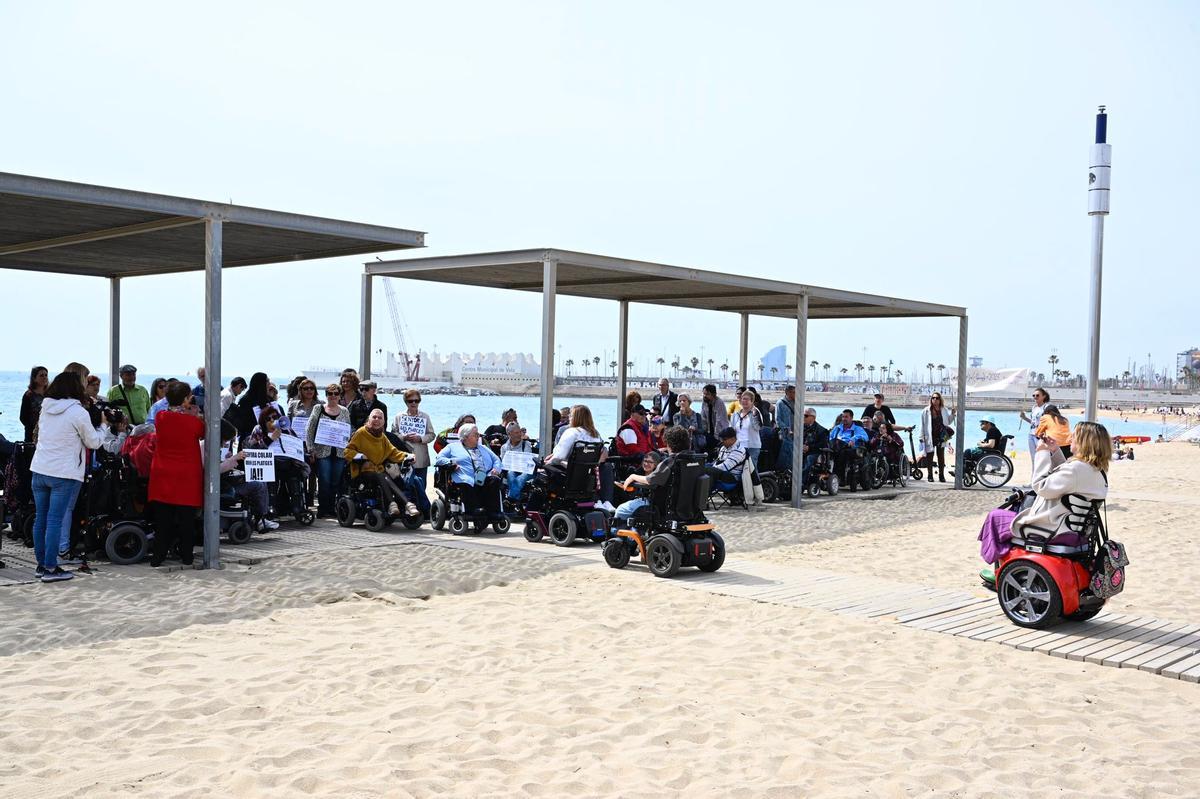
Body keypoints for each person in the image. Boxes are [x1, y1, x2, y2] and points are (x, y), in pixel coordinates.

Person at [980, 422, 1112, 565]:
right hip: (1076, 530)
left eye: (1074, 435)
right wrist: (1055, 451)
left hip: (1053, 529)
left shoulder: (1075, 470)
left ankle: (997, 561)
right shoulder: (1097, 471)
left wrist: (1042, 453)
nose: (1070, 438)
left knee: (995, 516)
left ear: (1084, 442)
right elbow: (1066, 479)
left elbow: (1040, 486)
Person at [29, 371, 109, 581]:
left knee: (41, 520)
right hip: (63, 473)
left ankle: (40, 565)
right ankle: (50, 568)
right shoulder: (77, 412)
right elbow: (93, 442)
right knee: (55, 520)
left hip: (39, 469)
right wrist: (103, 426)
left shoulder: (46, 408)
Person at [147, 381, 205, 566]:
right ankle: (186, 556)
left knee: (163, 521)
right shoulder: (193, 422)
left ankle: (158, 557)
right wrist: (195, 415)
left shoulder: (161, 417)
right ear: (185, 399)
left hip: (163, 473)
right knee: (186, 521)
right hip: (186, 475)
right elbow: (202, 431)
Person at [345, 409, 419, 518]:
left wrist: (407, 456)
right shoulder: (361, 433)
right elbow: (347, 451)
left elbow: (393, 452)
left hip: (378, 472)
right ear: (369, 419)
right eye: (374, 417)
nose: (377, 420)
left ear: (383, 422)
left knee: (385, 475)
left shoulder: (382, 437)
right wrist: (361, 456)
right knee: (382, 475)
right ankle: (404, 504)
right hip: (362, 471)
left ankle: (398, 504)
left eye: (380, 418)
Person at [434, 422, 504, 521]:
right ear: (466, 437)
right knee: (466, 482)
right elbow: (439, 458)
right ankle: (473, 509)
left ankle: (493, 512)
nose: (478, 436)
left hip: (485, 475)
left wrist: (496, 469)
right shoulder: (452, 447)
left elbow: (496, 459)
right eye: (475, 434)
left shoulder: (483, 447)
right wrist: (451, 463)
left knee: (494, 480)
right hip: (465, 475)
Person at [217, 419, 275, 531]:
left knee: (260, 482)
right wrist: (233, 459)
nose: (225, 444)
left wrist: (230, 459)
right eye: (225, 441)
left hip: (225, 483)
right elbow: (216, 471)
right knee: (259, 485)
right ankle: (261, 519)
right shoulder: (210, 448)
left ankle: (261, 518)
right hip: (223, 488)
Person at [305, 383, 351, 518]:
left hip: (339, 452)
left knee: (336, 481)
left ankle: (332, 508)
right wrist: (310, 449)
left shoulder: (344, 411)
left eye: (336, 393)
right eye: (330, 393)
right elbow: (309, 430)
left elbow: (347, 430)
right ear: (326, 395)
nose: (333, 396)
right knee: (324, 481)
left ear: (340, 395)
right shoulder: (318, 408)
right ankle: (322, 508)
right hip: (322, 452)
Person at [620, 425, 692, 509]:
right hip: (689, 508)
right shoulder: (696, 460)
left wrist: (633, 476)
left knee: (620, 510)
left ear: (669, 444)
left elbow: (650, 480)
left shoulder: (670, 462)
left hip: (664, 507)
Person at [391, 389, 435, 511]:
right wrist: (404, 437)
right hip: (404, 457)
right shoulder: (399, 417)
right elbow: (393, 435)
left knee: (422, 484)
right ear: (406, 402)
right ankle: (406, 506)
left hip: (421, 457)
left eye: (416, 400)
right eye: (411, 401)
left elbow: (431, 435)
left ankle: (421, 509)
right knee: (405, 484)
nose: (413, 403)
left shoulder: (425, 416)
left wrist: (420, 438)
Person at [611, 450, 664, 524]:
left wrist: (633, 477)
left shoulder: (657, 474)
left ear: (656, 464)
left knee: (620, 510)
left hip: (650, 501)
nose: (646, 464)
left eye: (650, 462)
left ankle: (615, 531)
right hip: (638, 499)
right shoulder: (638, 472)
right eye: (645, 461)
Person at [830, 409, 870, 492]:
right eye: (843, 417)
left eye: (846, 417)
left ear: (851, 418)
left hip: (852, 450)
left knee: (843, 452)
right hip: (836, 448)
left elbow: (866, 438)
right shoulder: (837, 428)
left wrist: (854, 438)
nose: (844, 419)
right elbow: (830, 438)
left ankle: (839, 477)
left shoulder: (857, 428)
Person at [919, 392, 953, 483]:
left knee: (941, 456)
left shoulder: (944, 409)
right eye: (933, 398)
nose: (935, 399)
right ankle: (930, 475)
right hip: (930, 435)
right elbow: (922, 425)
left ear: (940, 399)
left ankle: (941, 475)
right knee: (930, 456)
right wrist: (921, 437)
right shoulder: (926, 411)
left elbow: (948, 422)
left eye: (937, 398)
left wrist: (953, 414)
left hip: (942, 435)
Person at [226, 372, 271, 440]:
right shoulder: (246, 400)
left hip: (265, 437)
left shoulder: (267, 400)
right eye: (267, 381)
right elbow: (244, 423)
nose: (269, 384)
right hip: (249, 439)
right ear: (260, 383)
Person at [499, 422, 534, 503]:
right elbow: (504, 463)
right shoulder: (504, 447)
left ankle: (511, 499)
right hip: (513, 470)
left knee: (521, 478)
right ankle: (516, 501)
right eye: (516, 433)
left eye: (520, 432)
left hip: (526, 470)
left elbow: (527, 460)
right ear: (509, 434)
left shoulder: (526, 444)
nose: (519, 435)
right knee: (510, 473)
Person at [731, 390, 763, 470]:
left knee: (751, 470)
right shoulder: (736, 414)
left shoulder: (756, 412)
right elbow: (733, 430)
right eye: (743, 399)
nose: (744, 401)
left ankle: (755, 483)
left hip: (752, 447)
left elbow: (758, 427)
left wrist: (754, 416)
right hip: (739, 447)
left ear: (752, 401)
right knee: (738, 469)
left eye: (747, 399)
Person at [1019, 387, 1050, 465]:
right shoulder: (1034, 408)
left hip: (1040, 436)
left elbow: (1049, 423)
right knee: (1033, 458)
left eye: (1037, 395)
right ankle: (1034, 476)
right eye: (1033, 395)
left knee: (1042, 457)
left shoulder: (1046, 407)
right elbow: (1033, 423)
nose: (1035, 397)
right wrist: (1024, 418)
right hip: (1031, 435)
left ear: (1044, 396)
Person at [20, 365, 48, 442]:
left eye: (46, 375)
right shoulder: (28, 395)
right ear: (34, 378)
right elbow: (23, 417)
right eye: (41, 375)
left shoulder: (50, 394)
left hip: (48, 433)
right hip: (32, 434)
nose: (45, 377)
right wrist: (34, 428)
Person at [698, 384, 729, 455]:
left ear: (714, 394)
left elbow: (720, 421)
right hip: (708, 433)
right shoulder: (704, 402)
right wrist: (703, 432)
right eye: (704, 394)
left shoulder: (719, 403)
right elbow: (703, 418)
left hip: (719, 434)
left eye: (707, 394)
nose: (705, 396)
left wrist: (717, 437)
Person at [801, 407, 829, 478]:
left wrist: (809, 448)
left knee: (809, 459)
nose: (803, 417)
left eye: (806, 416)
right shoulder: (800, 427)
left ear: (813, 417)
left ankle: (801, 481)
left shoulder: (822, 430)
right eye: (803, 415)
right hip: (800, 450)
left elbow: (823, 444)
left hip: (814, 452)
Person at [775, 385, 797, 469]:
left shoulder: (796, 402)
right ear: (788, 392)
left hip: (796, 432)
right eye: (793, 392)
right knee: (786, 453)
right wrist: (787, 429)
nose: (795, 394)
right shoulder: (780, 403)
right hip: (786, 433)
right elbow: (778, 419)